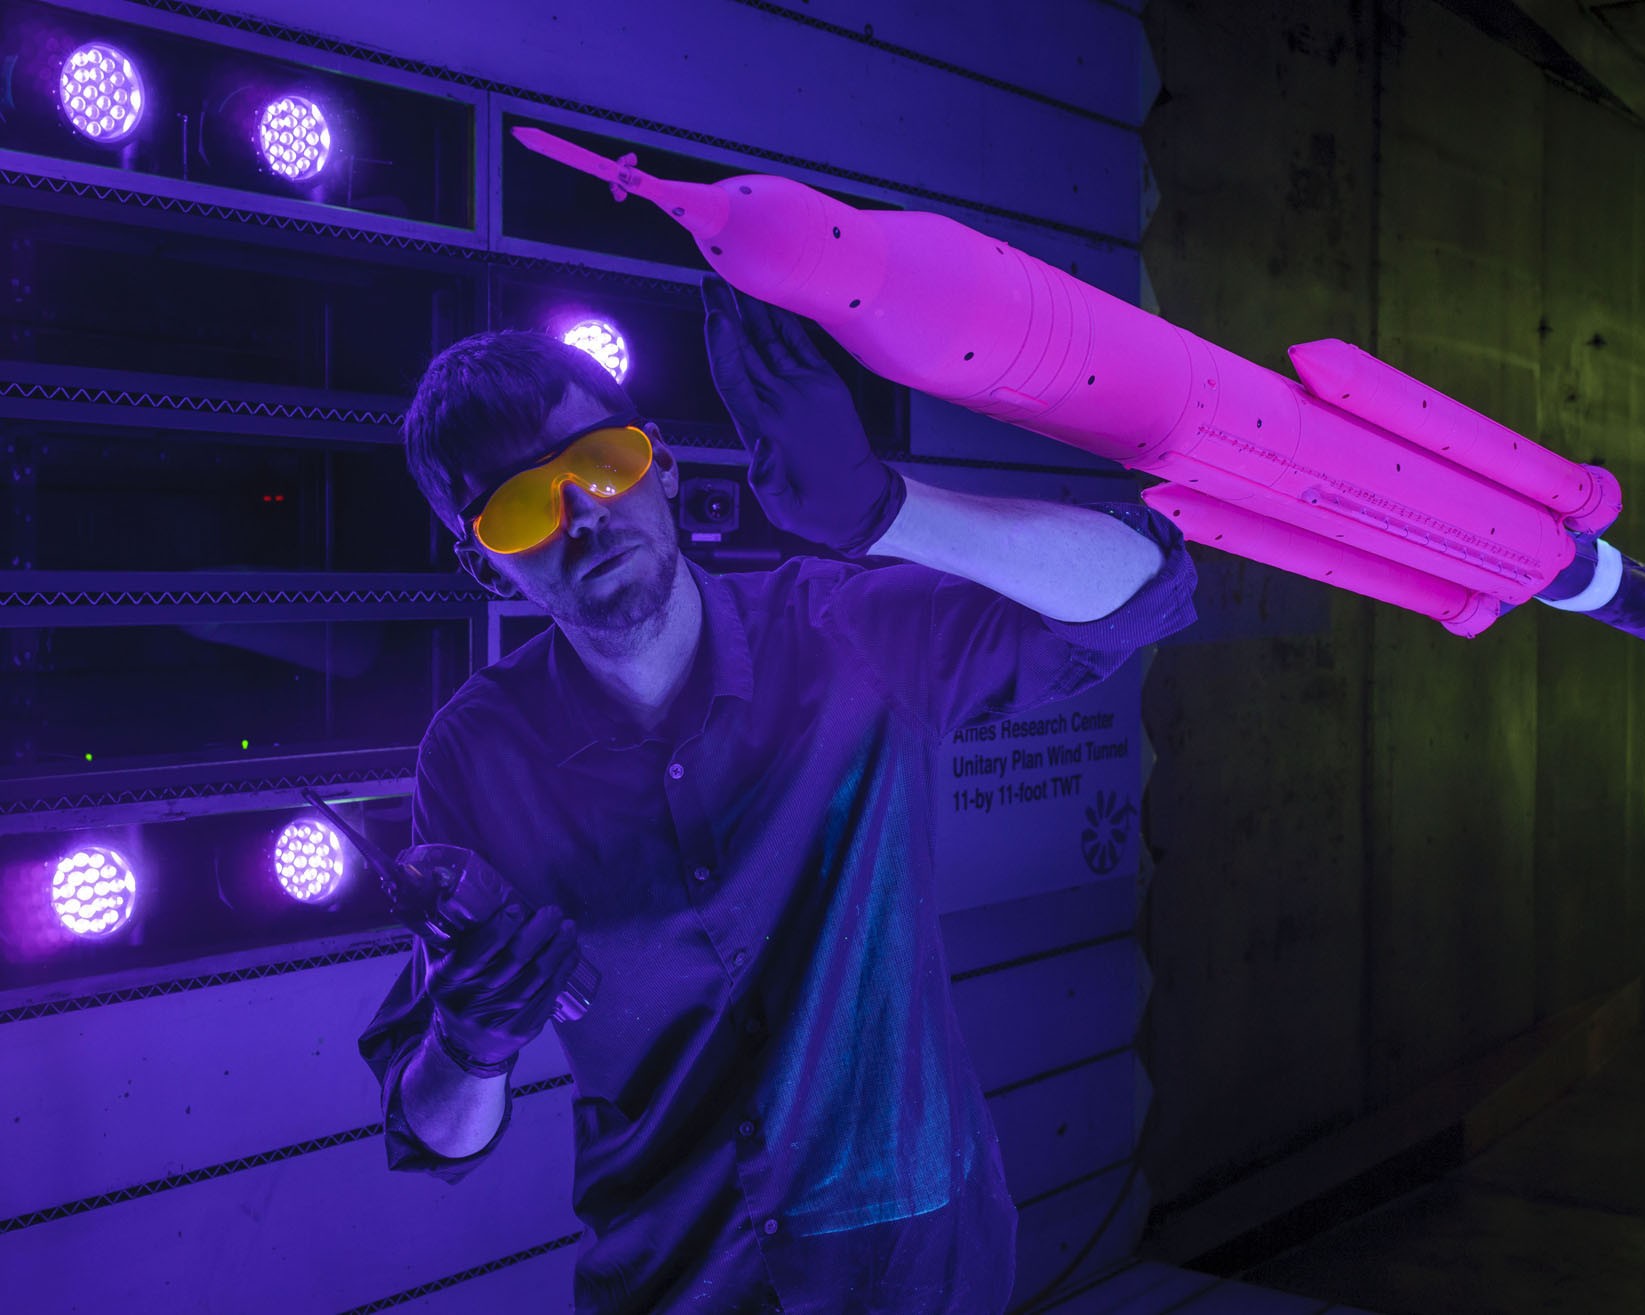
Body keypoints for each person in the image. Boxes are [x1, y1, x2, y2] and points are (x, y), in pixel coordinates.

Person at [359, 275, 1197, 1314]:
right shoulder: (476, 759)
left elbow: (1143, 591)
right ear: (489, 569)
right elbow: (436, 1133)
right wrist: (468, 1042)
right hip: (671, 1274)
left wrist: (882, 509)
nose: (582, 514)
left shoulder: (842, 632)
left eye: (601, 464)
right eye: (524, 506)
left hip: (913, 1257)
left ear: (659, 463)